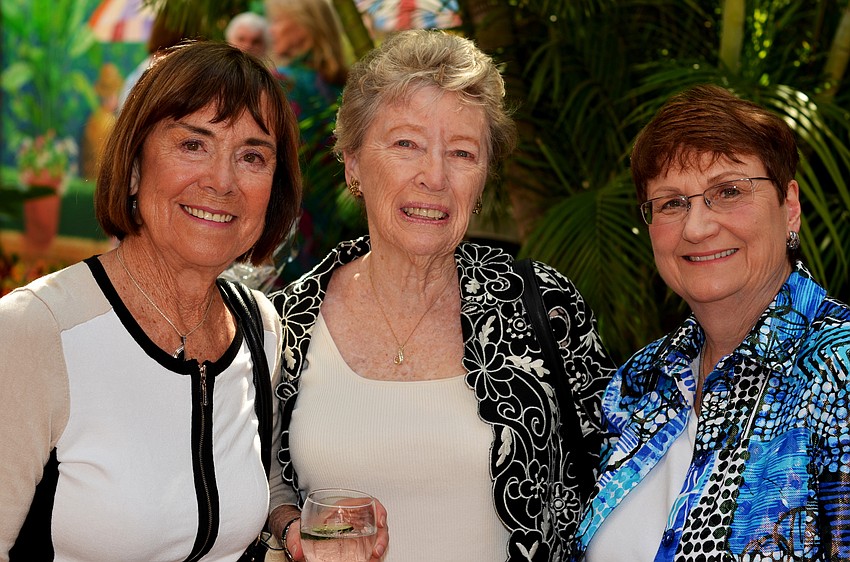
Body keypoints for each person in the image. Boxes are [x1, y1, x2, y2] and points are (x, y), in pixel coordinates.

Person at [267, 30, 616, 562]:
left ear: (483, 179)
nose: (434, 176)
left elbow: (616, 480)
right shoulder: (289, 320)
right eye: (406, 145)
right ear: (353, 163)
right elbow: (264, 478)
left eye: (461, 153)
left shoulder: (544, 308)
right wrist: (292, 527)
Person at [0, 41, 302, 561]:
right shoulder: (37, 330)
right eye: (193, 144)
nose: (222, 181)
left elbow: (264, 478)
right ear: (135, 166)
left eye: (252, 156)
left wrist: (294, 523)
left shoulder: (260, 327)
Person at [571, 84, 850, 561]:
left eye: (729, 191)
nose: (697, 228)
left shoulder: (838, 369)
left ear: (790, 206)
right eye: (671, 203)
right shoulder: (640, 381)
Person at [264, 0, 353, 281]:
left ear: (304, 27)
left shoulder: (282, 84)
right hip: (344, 239)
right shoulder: (350, 86)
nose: (271, 31)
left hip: (290, 244)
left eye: (277, 22)